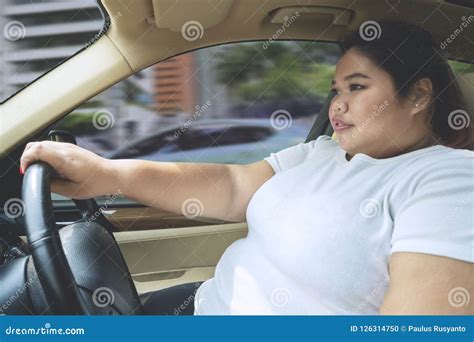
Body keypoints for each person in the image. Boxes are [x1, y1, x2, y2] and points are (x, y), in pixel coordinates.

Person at [19, 21, 473, 315]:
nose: (338, 104)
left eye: (356, 87)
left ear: (417, 96)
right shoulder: (322, 153)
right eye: (336, 90)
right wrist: (107, 174)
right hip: (202, 308)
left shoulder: (448, 179)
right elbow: (233, 185)